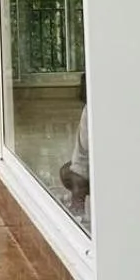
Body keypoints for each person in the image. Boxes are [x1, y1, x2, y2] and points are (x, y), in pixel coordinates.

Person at [60, 73, 89, 217]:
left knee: (68, 172)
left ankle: (78, 205)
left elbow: (83, 154)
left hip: (96, 171)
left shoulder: (89, 111)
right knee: (68, 170)